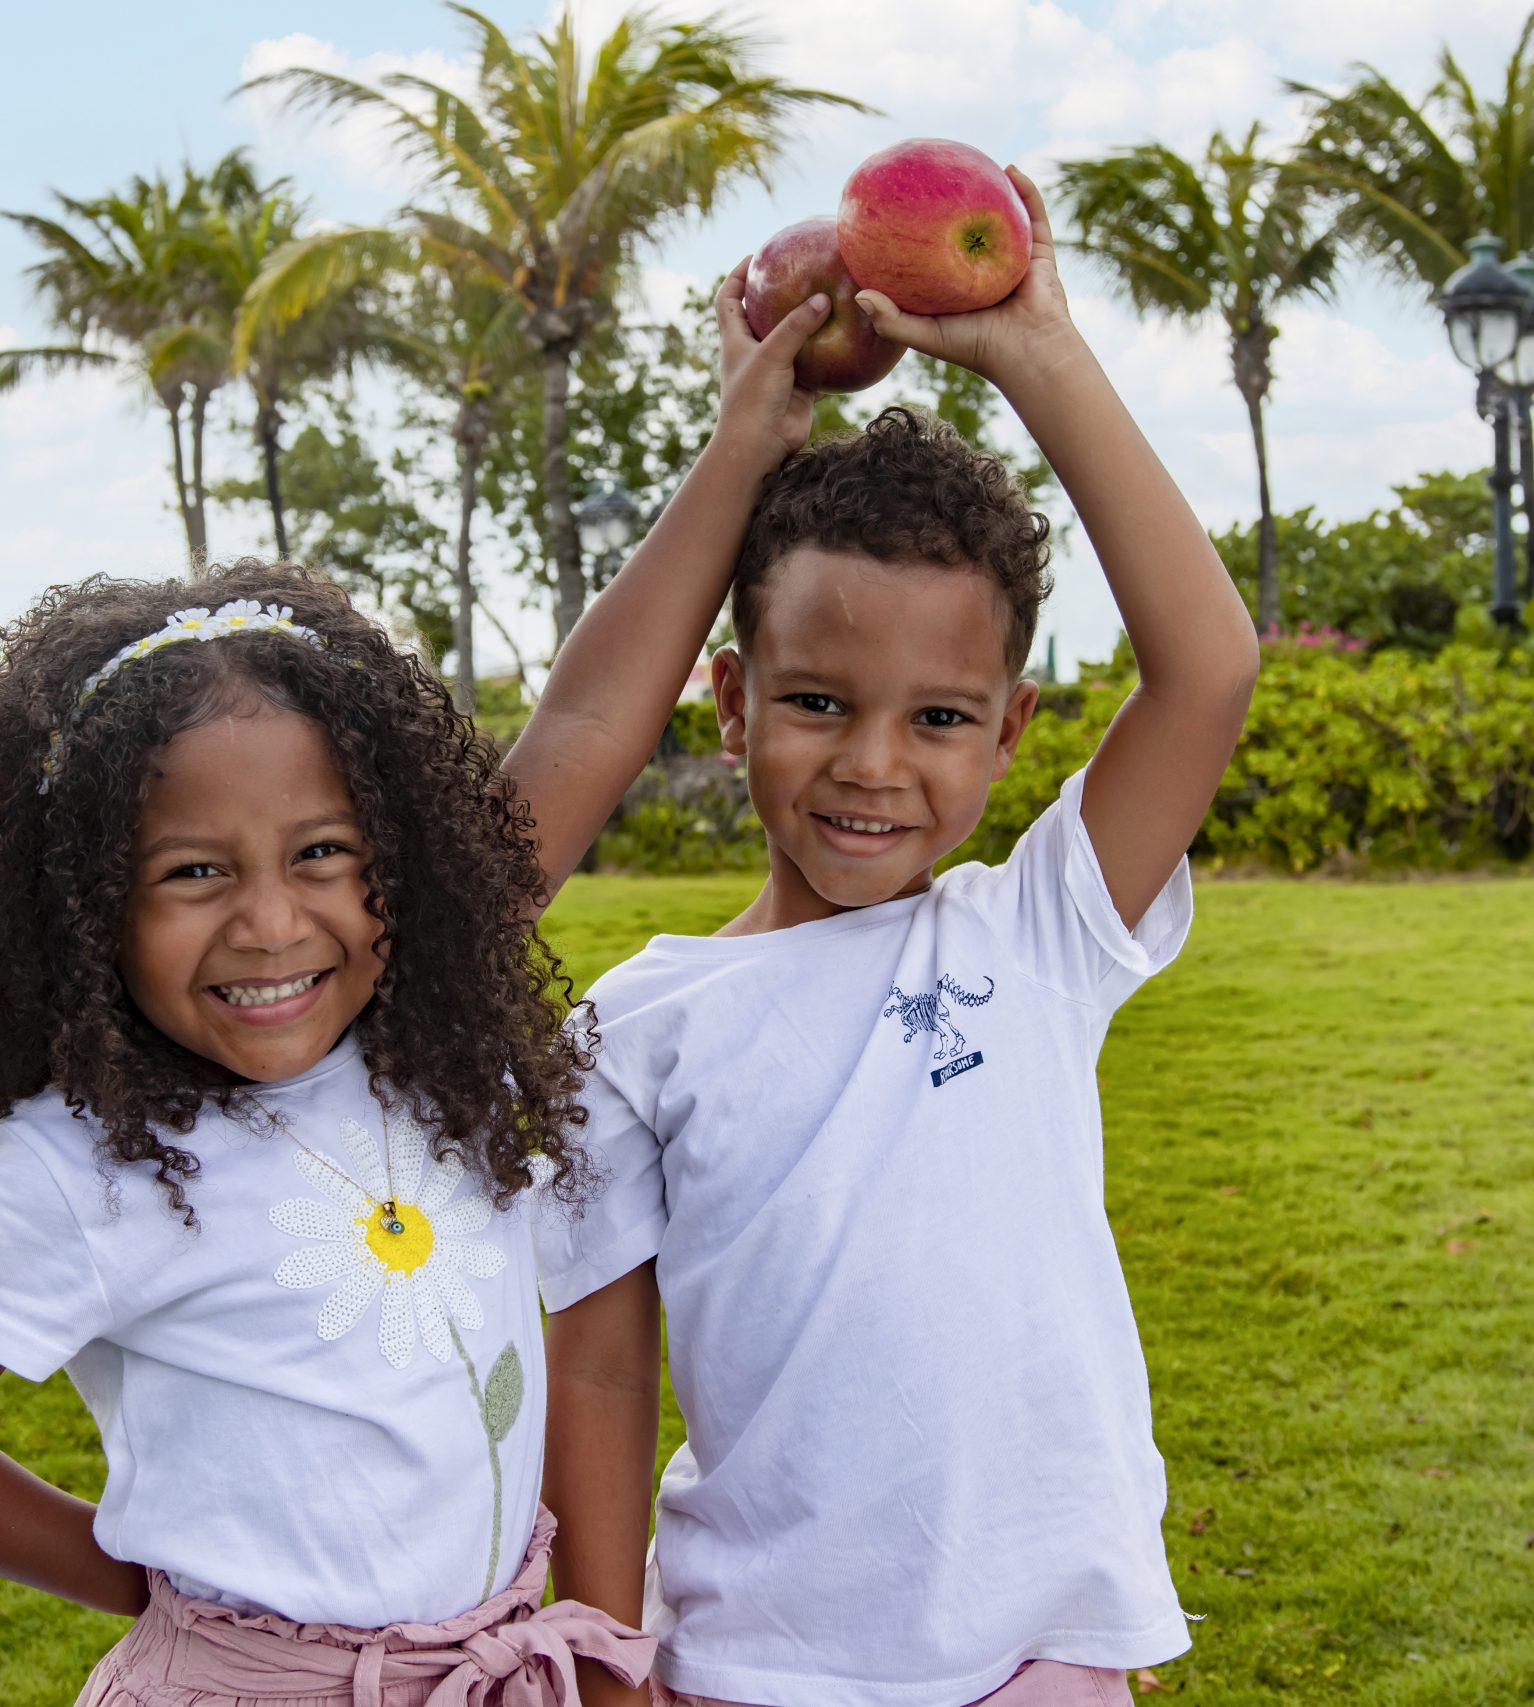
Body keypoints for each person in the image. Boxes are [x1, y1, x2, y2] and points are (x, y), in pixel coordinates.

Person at [0, 269, 844, 1704]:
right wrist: (152, 1584)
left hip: (490, 1668)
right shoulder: (76, 1171)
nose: (274, 923)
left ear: (398, 859)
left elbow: (593, 717)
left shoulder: (428, 1023)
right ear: (81, 902)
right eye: (191, 874)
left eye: (322, 853)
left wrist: (740, 452)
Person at [538, 169, 1260, 1707]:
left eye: (939, 719)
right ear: (730, 706)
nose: (874, 765)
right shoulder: (636, 1025)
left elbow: (1206, 670)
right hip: (752, 1666)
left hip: (1045, 1661)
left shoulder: (1040, 930)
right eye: (816, 704)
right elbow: (597, 1368)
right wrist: (604, 1668)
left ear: (1013, 732)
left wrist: (1034, 349)